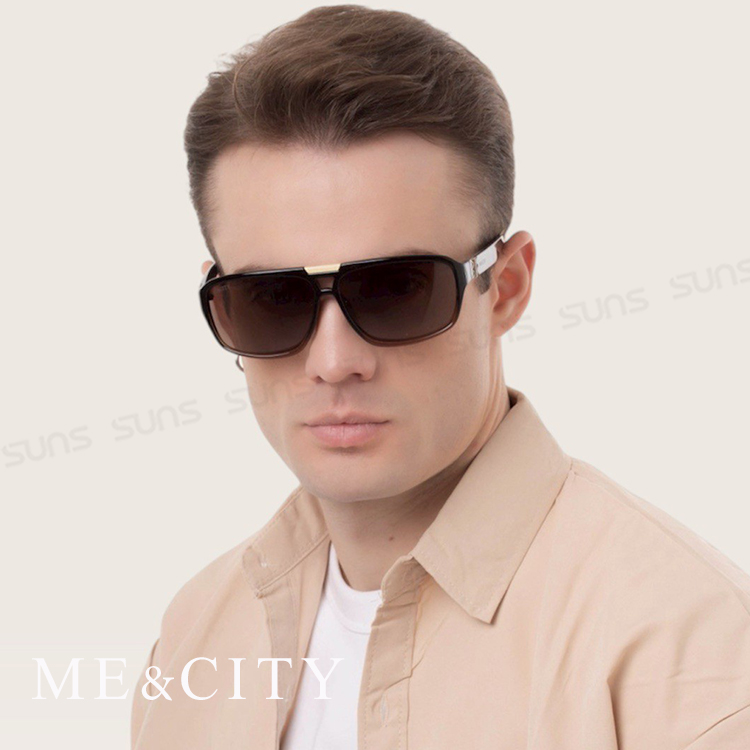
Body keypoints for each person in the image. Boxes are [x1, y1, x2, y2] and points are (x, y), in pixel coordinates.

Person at [131, 5, 750, 749]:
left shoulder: (692, 659)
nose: (334, 361)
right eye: (271, 300)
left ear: (507, 287)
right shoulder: (194, 636)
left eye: (397, 290)